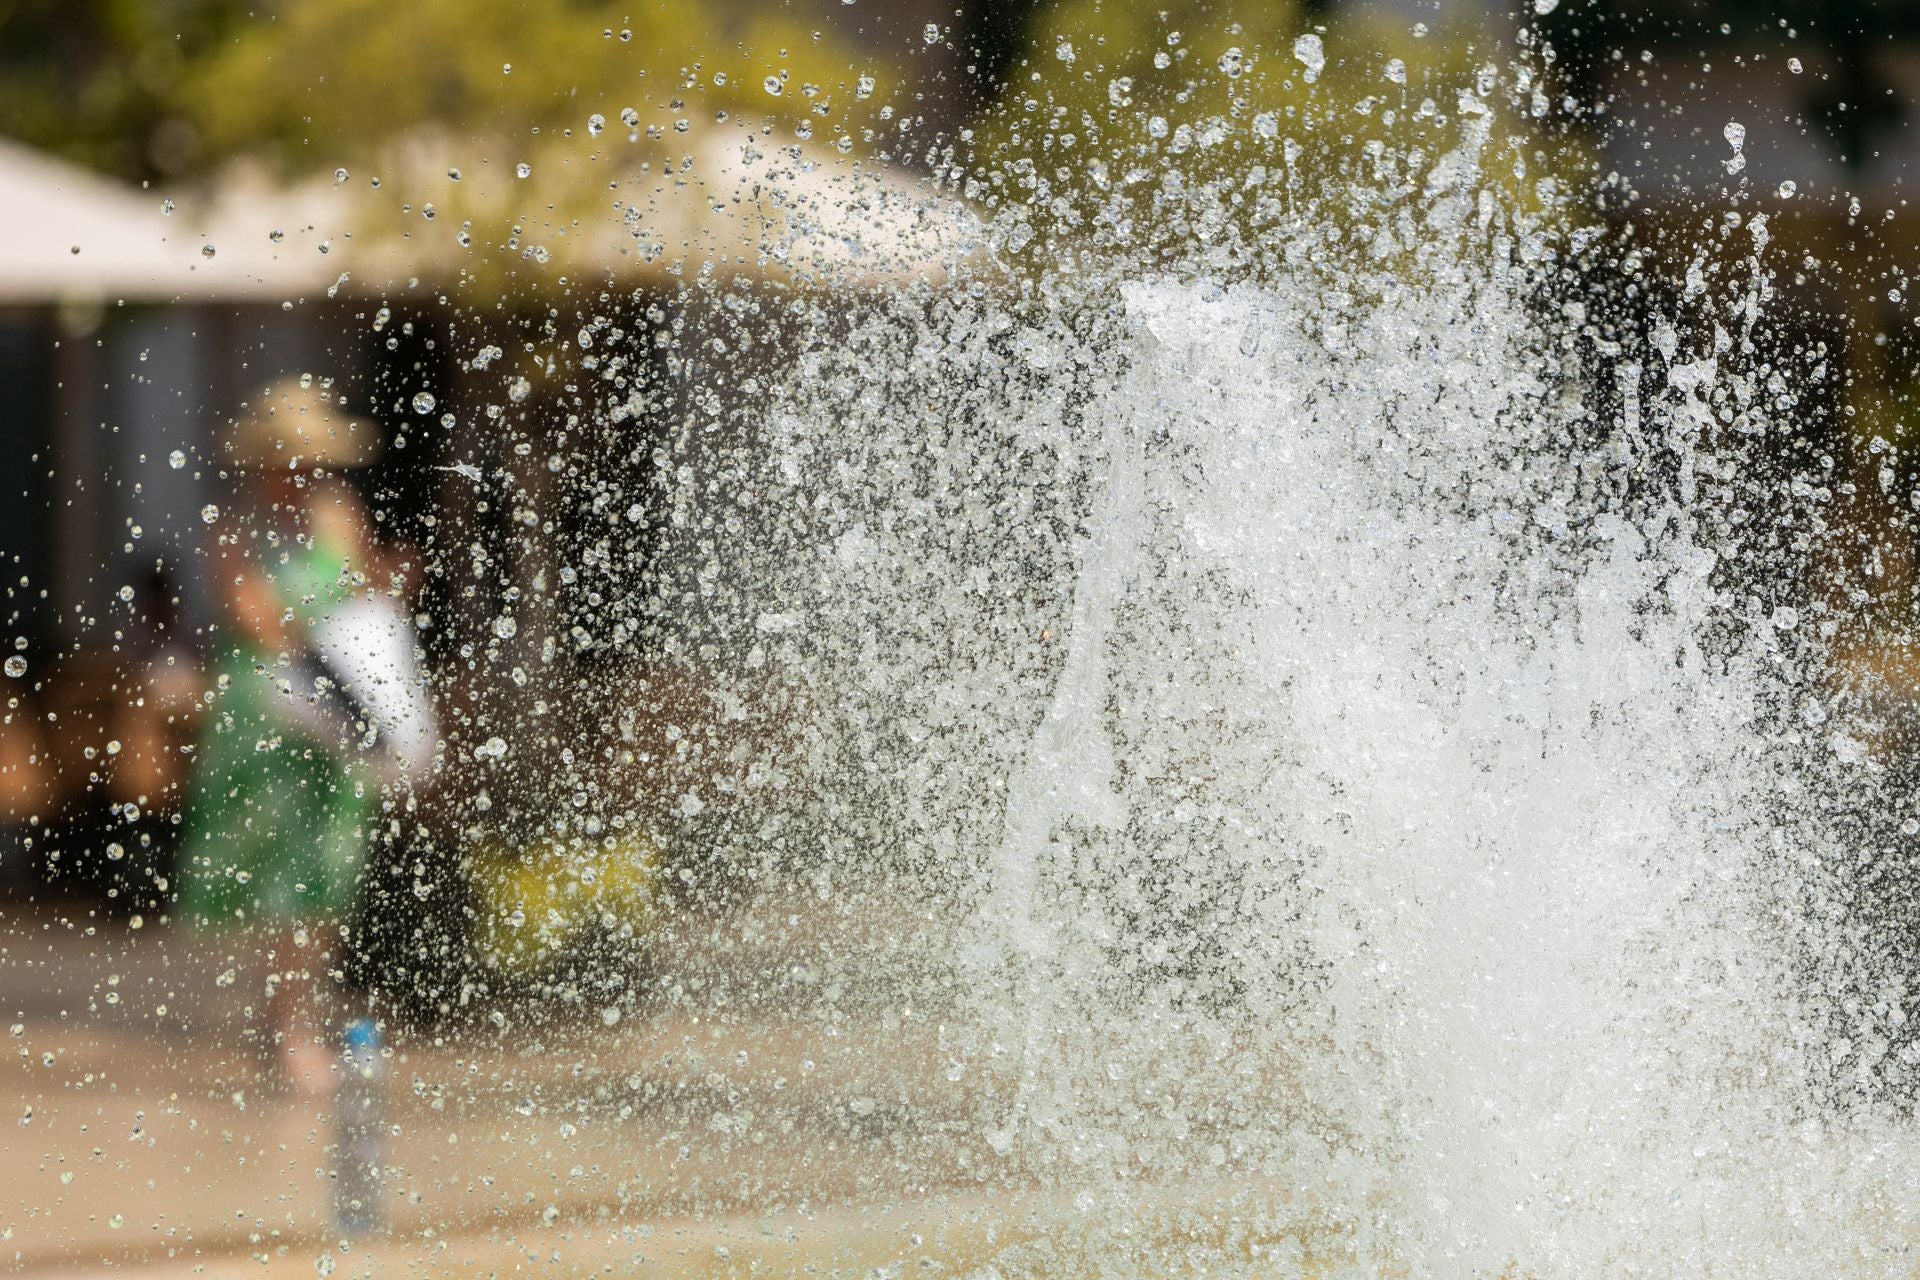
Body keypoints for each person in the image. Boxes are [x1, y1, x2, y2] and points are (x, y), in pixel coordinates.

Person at [176, 378, 433, 1097]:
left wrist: (385, 589)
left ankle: (290, 1019)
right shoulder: (233, 530)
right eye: (285, 460)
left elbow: (358, 600)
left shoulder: (337, 515)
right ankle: (286, 1023)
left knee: (325, 870)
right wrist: (320, 642)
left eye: (307, 461)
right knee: (278, 878)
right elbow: (253, 620)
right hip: (267, 720)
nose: (297, 474)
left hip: (333, 718)